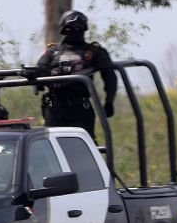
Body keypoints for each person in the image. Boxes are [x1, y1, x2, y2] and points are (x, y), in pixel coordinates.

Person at [34, 10, 117, 138]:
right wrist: (35, 78)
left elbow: (110, 76)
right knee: (50, 148)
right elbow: (40, 69)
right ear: (64, 29)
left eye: (79, 28)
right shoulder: (53, 52)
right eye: (71, 28)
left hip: (80, 110)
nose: (75, 31)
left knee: (83, 150)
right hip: (55, 109)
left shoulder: (94, 52)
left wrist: (109, 102)